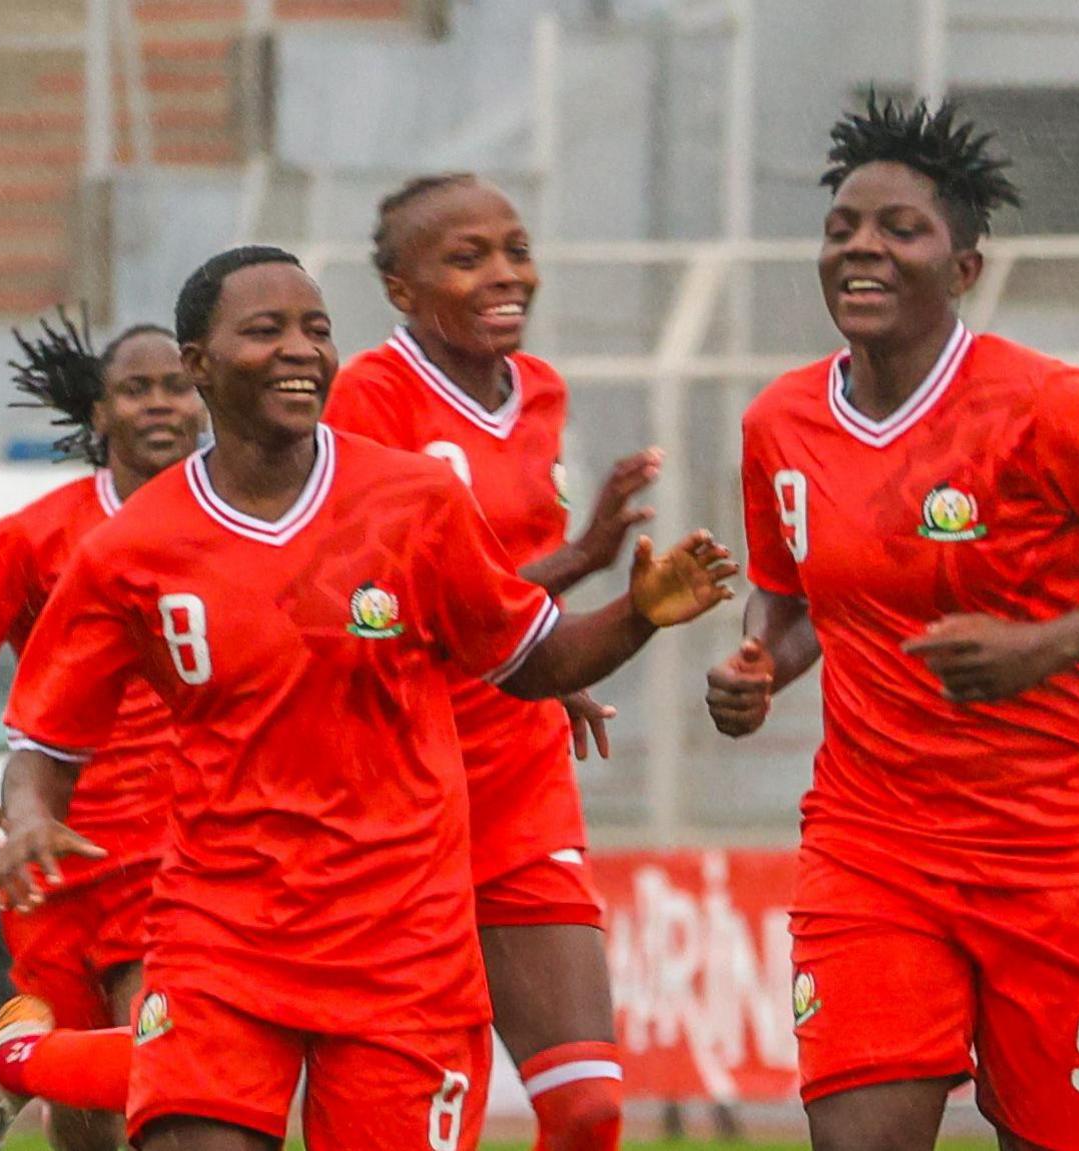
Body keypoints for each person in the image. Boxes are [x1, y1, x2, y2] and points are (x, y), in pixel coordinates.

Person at [0, 245, 734, 1151]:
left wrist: (634, 616)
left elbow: (527, 658)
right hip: (221, 932)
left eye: (316, 329)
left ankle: (21, 1062)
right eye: (266, 330)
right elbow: (47, 737)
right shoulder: (130, 551)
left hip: (404, 947)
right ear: (202, 364)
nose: (299, 349)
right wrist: (26, 809)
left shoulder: (414, 500)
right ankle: (19, 1065)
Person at [702, 95, 1079, 1151]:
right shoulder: (779, 422)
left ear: (963, 269)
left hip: (1060, 856)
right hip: (873, 846)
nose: (860, 247)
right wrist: (755, 669)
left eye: (898, 228)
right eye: (840, 229)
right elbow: (789, 604)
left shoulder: (1049, 406)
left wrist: (1044, 643)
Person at [323, 172, 646, 1151]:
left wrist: (558, 661)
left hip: (519, 777)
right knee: (412, 1120)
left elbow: (507, 602)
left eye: (514, 249)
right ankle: (35, 1059)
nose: (505, 275)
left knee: (588, 1107)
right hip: (393, 789)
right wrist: (577, 563)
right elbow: (379, 605)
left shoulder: (540, 390)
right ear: (401, 290)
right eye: (467, 259)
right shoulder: (366, 400)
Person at [0, 314, 205, 1151]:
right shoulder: (35, 536)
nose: (161, 404)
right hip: (53, 842)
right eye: (137, 389)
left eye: (178, 385)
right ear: (98, 415)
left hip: (184, 845)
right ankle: (29, 1057)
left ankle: (17, 1058)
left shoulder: (237, 521)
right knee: (90, 1123)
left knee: (172, 1061)